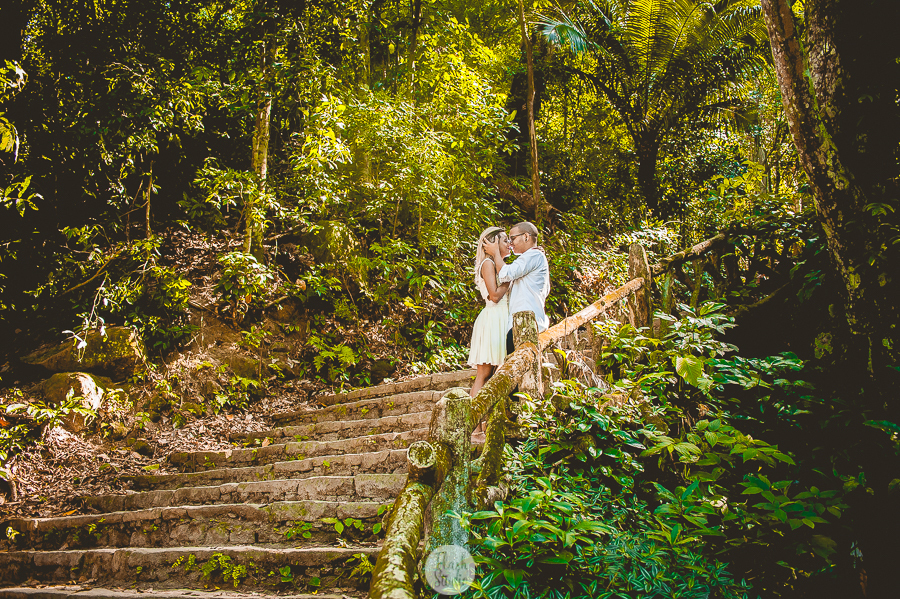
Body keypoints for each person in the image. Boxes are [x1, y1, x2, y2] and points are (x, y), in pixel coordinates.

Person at [483, 221, 550, 354]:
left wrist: (496, 253)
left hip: (524, 325)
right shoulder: (530, 257)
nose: (510, 243)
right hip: (520, 324)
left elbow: (506, 274)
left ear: (526, 237)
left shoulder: (534, 255)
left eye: (513, 238)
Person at [467, 226, 512, 404]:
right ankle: (476, 427)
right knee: (484, 374)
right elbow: (494, 295)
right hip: (495, 318)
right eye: (504, 240)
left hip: (501, 317)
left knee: (494, 373)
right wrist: (509, 281)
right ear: (492, 243)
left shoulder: (498, 264)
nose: (509, 243)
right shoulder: (488, 263)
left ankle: (486, 423)